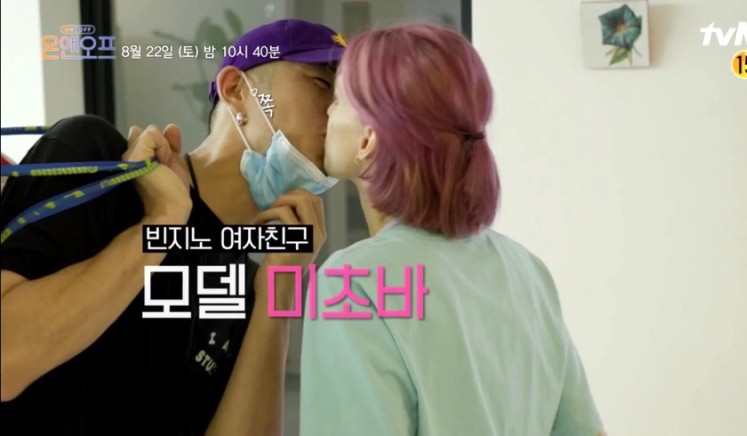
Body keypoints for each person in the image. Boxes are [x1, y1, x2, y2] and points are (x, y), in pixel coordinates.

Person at [0, 19, 344, 435]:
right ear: (237, 90)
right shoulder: (97, 163)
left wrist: (280, 291)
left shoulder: (252, 285)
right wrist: (161, 222)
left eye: (346, 99)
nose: (337, 111)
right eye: (322, 84)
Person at [299, 23, 607, 436]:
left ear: (367, 139)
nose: (326, 113)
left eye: (336, 100)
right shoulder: (527, 271)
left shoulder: (352, 283)